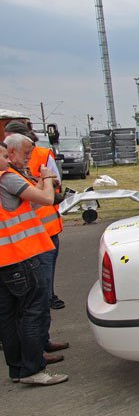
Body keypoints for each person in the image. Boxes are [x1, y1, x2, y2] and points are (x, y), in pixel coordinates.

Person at [0, 136, 68, 385]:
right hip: (20, 255)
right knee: (32, 311)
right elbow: (47, 199)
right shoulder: (6, 178)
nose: (8, 160)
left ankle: (17, 369)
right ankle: (33, 370)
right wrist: (48, 179)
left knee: (8, 317)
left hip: (4, 261)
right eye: (4, 156)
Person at [3, 121, 66, 310]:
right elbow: (43, 195)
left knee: (44, 278)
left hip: (44, 227)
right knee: (36, 289)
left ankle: (48, 298)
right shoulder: (8, 172)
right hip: (30, 234)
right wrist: (45, 183)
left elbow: (55, 183)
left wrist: (46, 184)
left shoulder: (42, 155)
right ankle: (44, 305)